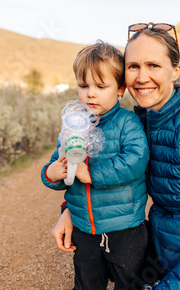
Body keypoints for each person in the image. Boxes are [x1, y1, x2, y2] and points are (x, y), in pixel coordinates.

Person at [52, 24, 180, 289]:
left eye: (154, 65)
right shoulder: (141, 122)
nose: (142, 77)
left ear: (175, 70)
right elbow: (114, 182)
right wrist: (70, 211)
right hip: (166, 260)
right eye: (133, 66)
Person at [41, 41, 149, 290]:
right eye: (83, 85)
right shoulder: (73, 125)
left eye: (101, 86)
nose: (90, 93)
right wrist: (52, 173)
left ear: (121, 89)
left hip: (125, 229)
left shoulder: (127, 123)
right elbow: (57, 163)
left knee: (129, 282)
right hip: (83, 228)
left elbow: (135, 161)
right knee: (87, 283)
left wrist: (90, 173)